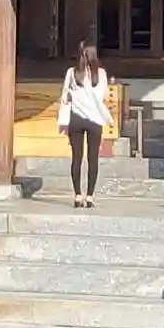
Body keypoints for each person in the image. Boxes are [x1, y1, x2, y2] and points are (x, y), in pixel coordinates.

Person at [56, 43, 113, 208]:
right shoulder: (100, 74)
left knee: (77, 157)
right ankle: (89, 196)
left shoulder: (72, 72)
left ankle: (77, 195)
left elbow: (65, 96)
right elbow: (103, 95)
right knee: (93, 157)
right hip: (95, 120)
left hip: (76, 119)